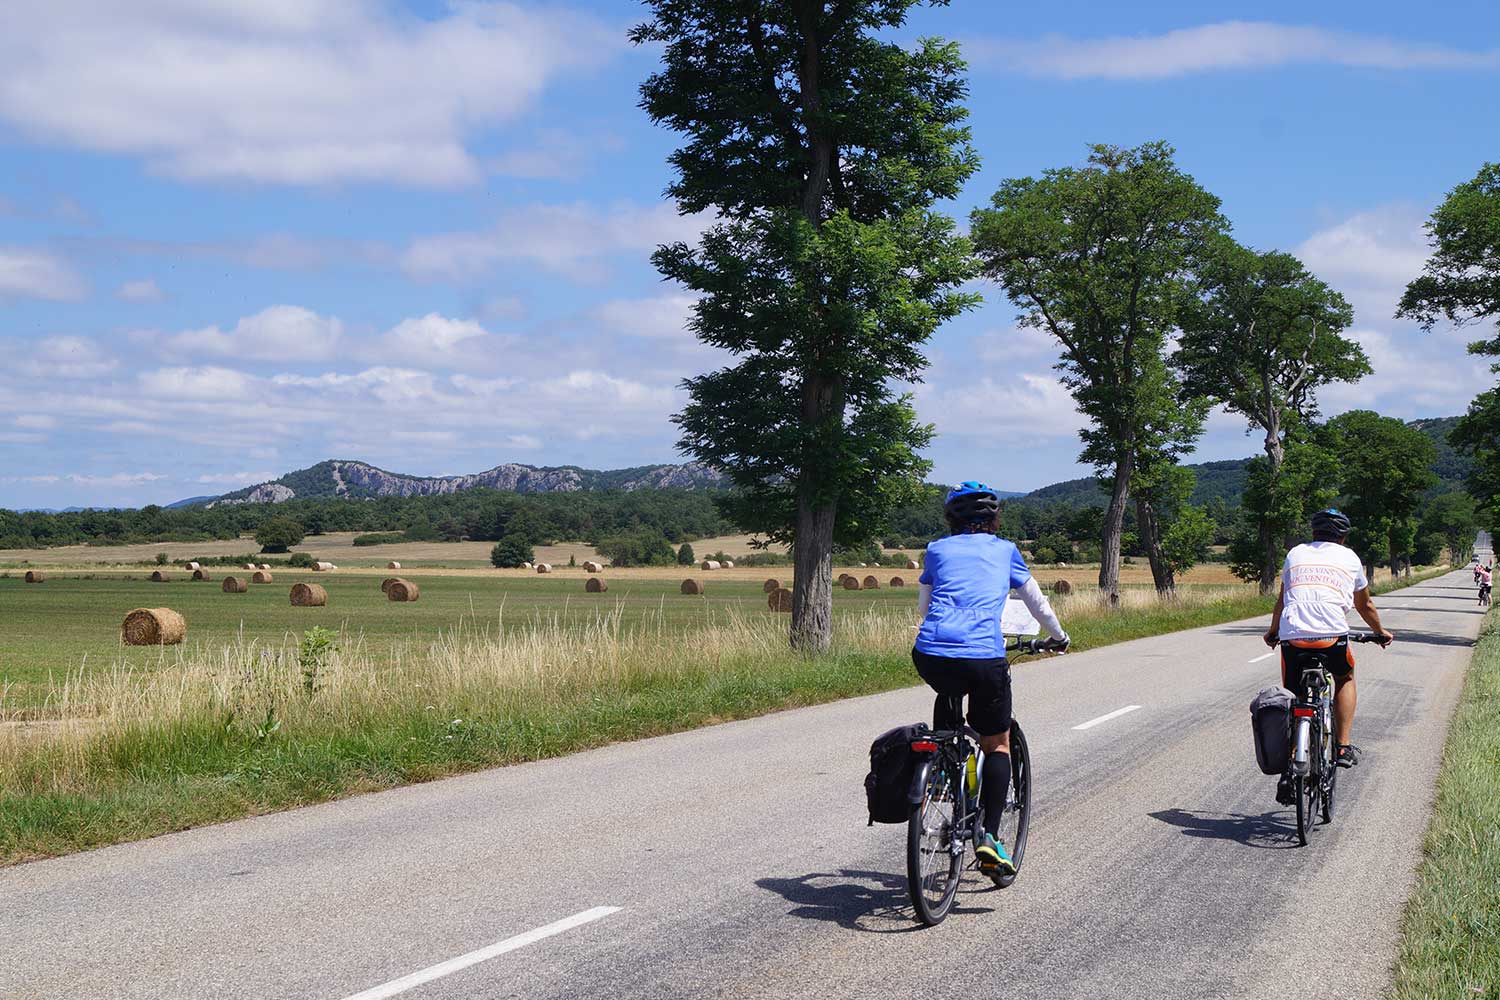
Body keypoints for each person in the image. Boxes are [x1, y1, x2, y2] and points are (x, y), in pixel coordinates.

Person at [913, 481, 1069, 883]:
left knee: (948, 692)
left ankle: (943, 768)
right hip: (984, 656)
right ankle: (989, 835)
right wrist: (1058, 636)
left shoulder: (935, 550)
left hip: (930, 653)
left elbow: (925, 606)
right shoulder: (1005, 550)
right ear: (993, 519)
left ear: (951, 519)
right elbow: (1038, 603)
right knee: (997, 742)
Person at [1263, 508, 1394, 804]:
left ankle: (1290, 764)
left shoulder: (1295, 554)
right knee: (1345, 677)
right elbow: (1365, 605)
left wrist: (1273, 632)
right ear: (1343, 537)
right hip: (1331, 638)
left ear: (1313, 533)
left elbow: (1283, 600)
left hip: (1293, 638)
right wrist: (1381, 632)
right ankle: (1344, 746)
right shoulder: (1349, 559)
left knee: (1294, 696)